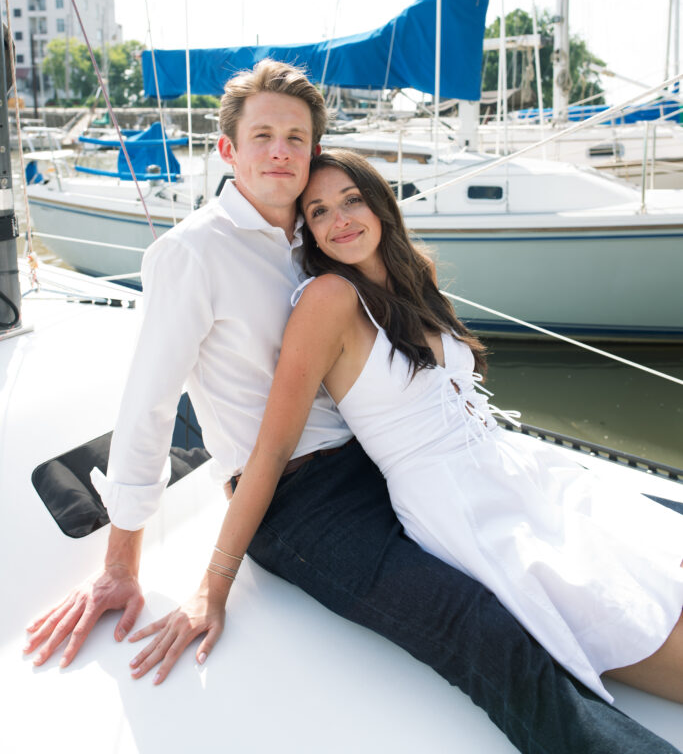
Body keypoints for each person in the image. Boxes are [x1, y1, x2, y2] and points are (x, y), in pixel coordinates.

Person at [24, 62, 682, 754]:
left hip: (381, 470)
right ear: (228, 150)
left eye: (295, 137)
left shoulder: (309, 244)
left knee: (542, 581)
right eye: (263, 136)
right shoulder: (191, 253)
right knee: (478, 627)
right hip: (299, 504)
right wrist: (129, 567)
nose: (280, 151)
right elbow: (148, 410)